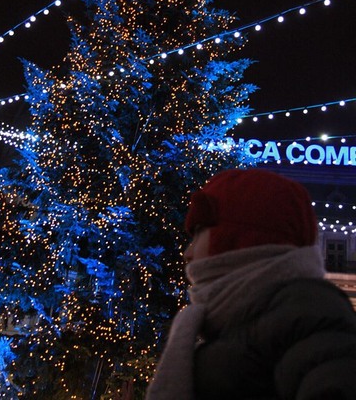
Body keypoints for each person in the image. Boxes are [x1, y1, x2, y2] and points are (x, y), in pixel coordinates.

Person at [145, 168, 356, 400]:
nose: (188, 253)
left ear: (240, 239)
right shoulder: (241, 319)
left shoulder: (309, 319)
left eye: (199, 234)